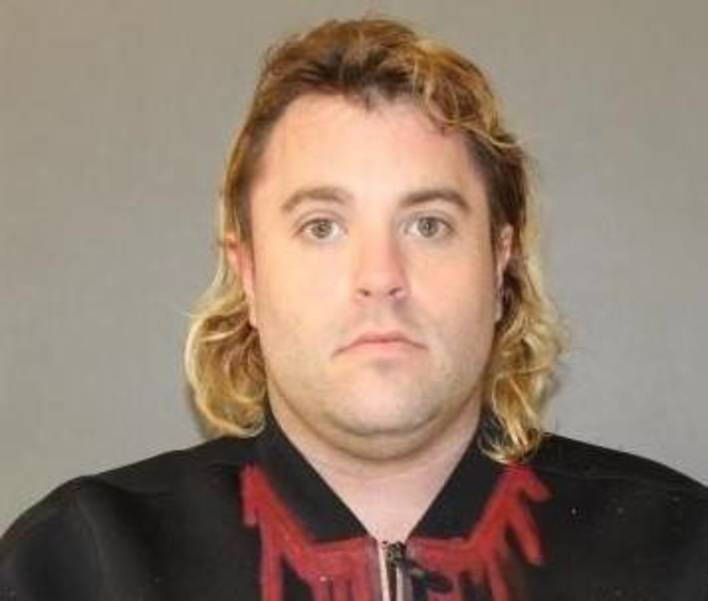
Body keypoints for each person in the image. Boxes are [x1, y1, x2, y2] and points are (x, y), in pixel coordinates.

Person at [1, 16, 707, 601]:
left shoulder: (682, 552)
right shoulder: (76, 564)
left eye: (427, 224)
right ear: (248, 274)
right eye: (322, 227)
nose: (379, 277)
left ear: (501, 265)